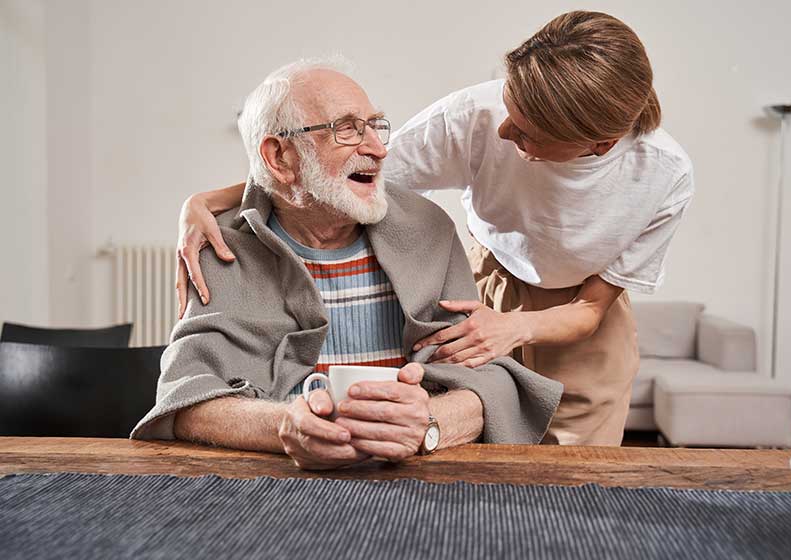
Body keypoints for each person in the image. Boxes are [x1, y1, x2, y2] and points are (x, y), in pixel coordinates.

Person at [174, 11, 694, 446]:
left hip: (579, 312)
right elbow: (335, 173)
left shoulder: (662, 176)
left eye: (526, 132)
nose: (504, 128)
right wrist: (208, 200)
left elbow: (591, 308)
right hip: (488, 279)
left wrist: (512, 331)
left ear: (596, 145)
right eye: (507, 107)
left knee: (576, 475)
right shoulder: (473, 116)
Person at [131, 60, 564, 470]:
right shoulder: (220, 245)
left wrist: (428, 423)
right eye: (347, 129)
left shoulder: (428, 229)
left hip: (420, 479)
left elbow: (488, 382)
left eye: (376, 126)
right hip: (276, 482)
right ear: (280, 157)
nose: (377, 148)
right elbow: (185, 400)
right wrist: (284, 427)